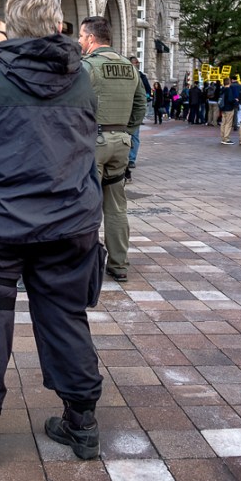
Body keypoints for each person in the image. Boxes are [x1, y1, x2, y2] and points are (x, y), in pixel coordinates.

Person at [0, 0, 104, 471]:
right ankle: (82, 422)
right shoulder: (82, 79)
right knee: (65, 316)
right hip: (67, 222)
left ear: (9, 28)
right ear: (57, 25)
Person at [80, 17, 146, 282]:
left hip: (93, 142)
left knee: (87, 206)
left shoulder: (87, 67)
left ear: (92, 39)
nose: (80, 42)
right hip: (121, 142)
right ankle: (119, 265)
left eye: (83, 37)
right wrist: (127, 131)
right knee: (117, 206)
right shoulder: (130, 68)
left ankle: (85, 265)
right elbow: (141, 104)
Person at [127, 55, 150, 169]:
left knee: (134, 134)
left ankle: (131, 159)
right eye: (134, 63)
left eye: (137, 63)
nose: (136, 65)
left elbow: (147, 92)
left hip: (135, 109)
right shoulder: (125, 75)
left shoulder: (141, 76)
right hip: (125, 109)